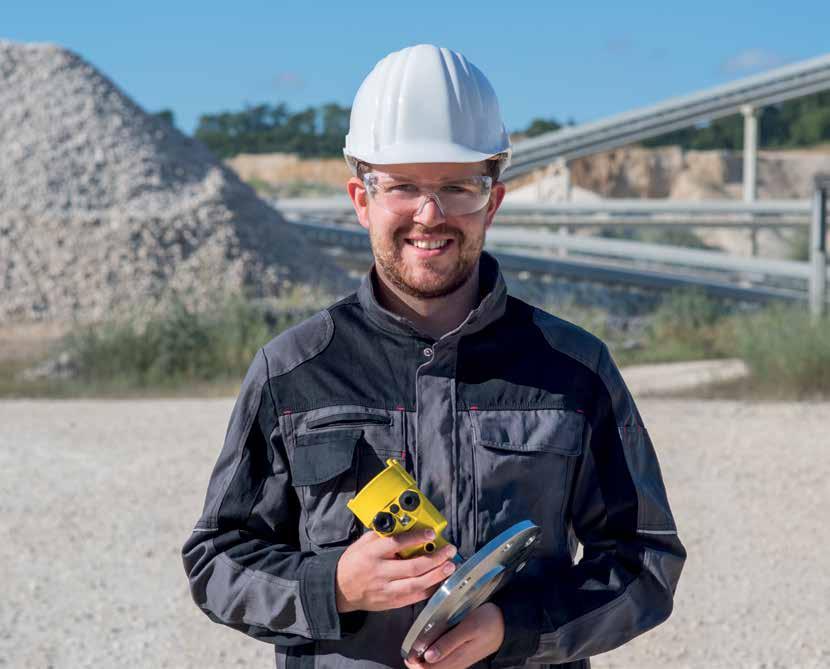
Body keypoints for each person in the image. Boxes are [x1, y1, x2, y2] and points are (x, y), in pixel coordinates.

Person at [182, 44, 686, 669]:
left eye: (457, 186)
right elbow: (217, 560)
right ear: (362, 199)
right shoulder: (294, 372)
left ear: (492, 201)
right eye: (402, 187)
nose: (430, 213)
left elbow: (645, 559)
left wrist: (513, 626)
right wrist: (334, 585)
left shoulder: (573, 370)